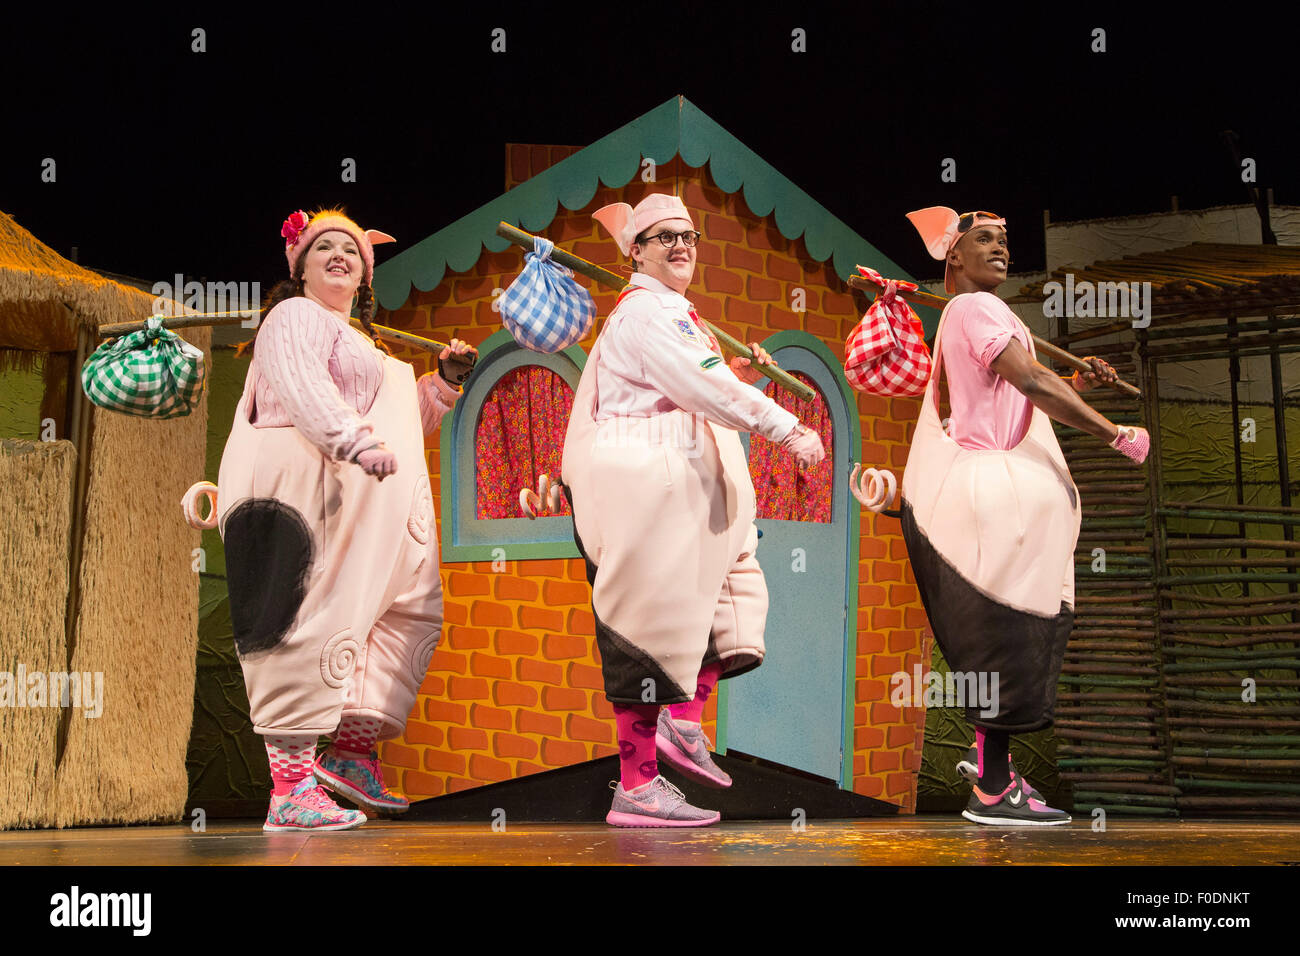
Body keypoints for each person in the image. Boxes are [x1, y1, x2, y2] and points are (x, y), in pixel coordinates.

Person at [561, 192, 826, 827]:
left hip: (685, 496)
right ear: (636, 251)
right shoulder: (650, 314)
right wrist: (786, 427)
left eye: (689, 235)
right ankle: (636, 784)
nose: (681, 245)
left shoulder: (673, 315)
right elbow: (701, 385)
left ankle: (682, 723)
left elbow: (690, 382)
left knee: (725, 607)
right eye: (664, 237)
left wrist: (729, 372)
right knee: (649, 634)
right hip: (647, 497)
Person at [212, 208, 475, 831]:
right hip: (313, 493)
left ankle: (352, 755)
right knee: (308, 618)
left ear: (365, 275)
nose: (339, 256)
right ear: (299, 266)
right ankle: (291, 791)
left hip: (376, 504)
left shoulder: (366, 344)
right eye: (323, 247)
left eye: (351, 251)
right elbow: (306, 389)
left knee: (403, 617)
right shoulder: (293, 318)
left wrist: (440, 385)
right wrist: (351, 443)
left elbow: (399, 431)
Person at [898, 207, 1149, 826]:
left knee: (999, 635)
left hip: (985, 497)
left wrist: (1078, 384)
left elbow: (1014, 389)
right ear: (953, 256)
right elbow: (1031, 381)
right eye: (985, 239)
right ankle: (988, 788)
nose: (1001, 248)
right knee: (1005, 635)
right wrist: (1113, 433)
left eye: (1005, 241)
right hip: (992, 496)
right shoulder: (976, 309)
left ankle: (996, 776)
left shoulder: (983, 313)